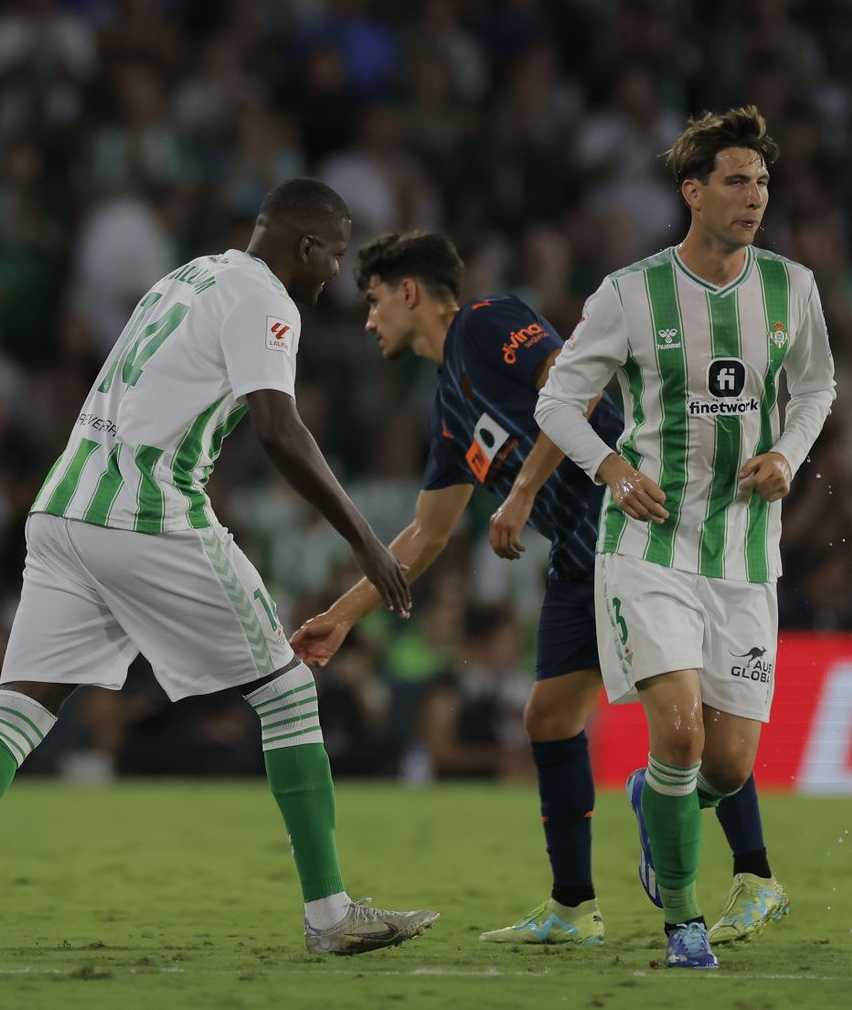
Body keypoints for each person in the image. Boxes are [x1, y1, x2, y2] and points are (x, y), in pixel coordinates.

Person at [0, 178, 438, 959]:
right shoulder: (266, 297)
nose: (332, 276)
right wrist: (366, 543)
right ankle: (329, 912)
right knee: (285, 692)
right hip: (144, 511)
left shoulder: (188, 274)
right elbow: (279, 428)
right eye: (334, 257)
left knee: (23, 706)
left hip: (64, 506)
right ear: (307, 246)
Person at [291, 229, 791, 949]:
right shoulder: (450, 409)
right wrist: (341, 618)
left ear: (409, 292)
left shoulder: (486, 320)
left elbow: (570, 381)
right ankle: (573, 906)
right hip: (575, 552)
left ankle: (753, 872)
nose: (369, 320)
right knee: (550, 716)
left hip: (630, 522)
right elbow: (426, 536)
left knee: (699, 720)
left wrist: (522, 492)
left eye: (373, 301)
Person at [533, 105, 836, 968]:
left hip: (745, 554)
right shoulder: (630, 293)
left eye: (764, 181)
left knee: (730, 766)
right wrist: (610, 471)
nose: (756, 196)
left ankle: (655, 801)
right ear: (692, 192)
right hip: (650, 550)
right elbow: (558, 400)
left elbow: (818, 387)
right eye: (737, 181)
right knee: (680, 733)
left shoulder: (793, 287)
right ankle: (685, 924)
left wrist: (786, 450)